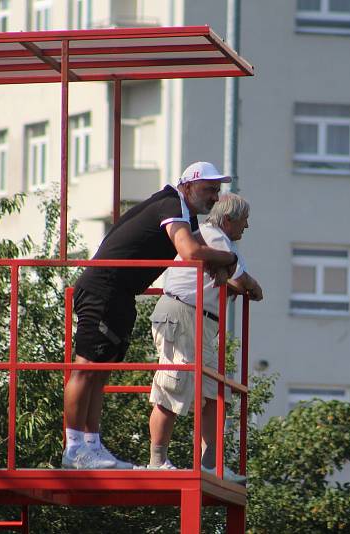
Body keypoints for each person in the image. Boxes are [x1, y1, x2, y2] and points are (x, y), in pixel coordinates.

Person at [62, 161, 239, 469]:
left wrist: (223, 268)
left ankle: (91, 446)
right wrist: (230, 257)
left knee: (100, 374)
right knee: (86, 370)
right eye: (210, 189)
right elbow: (191, 253)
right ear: (188, 186)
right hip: (103, 287)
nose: (215, 196)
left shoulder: (186, 213)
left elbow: (200, 252)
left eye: (218, 190)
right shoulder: (170, 202)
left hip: (121, 293)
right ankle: (73, 449)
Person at [148, 193, 262, 484]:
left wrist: (231, 275)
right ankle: (156, 461)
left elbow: (234, 277)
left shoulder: (220, 241)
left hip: (198, 321)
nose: (247, 226)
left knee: (214, 392)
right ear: (228, 219)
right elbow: (244, 281)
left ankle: (210, 464)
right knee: (173, 386)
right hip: (183, 315)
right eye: (243, 220)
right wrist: (250, 284)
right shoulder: (214, 236)